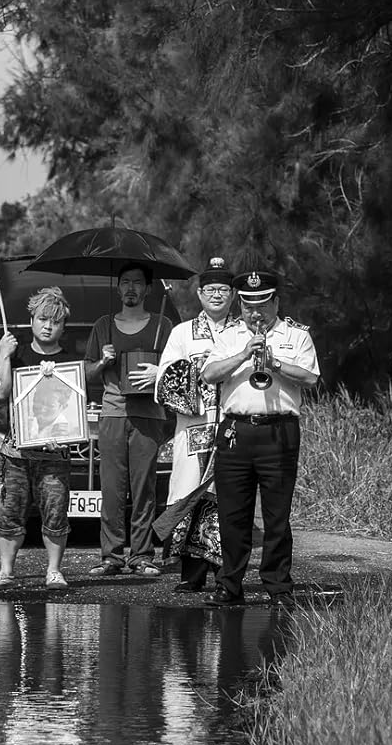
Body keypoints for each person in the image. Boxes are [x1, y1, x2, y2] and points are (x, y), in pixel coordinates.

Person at [199, 269, 320, 609]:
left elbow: (310, 377)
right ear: (241, 305)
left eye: (263, 305)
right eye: (249, 305)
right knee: (232, 514)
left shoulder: (295, 336)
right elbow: (208, 374)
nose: (256, 313)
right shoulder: (229, 336)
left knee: (276, 515)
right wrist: (242, 355)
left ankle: (278, 586)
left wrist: (276, 363)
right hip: (236, 431)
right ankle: (230, 584)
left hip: (279, 431)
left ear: (276, 302)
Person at [143, 256, 237, 593]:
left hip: (231, 425)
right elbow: (165, 378)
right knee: (189, 494)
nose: (216, 295)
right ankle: (191, 573)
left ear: (233, 294)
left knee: (226, 496)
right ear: (199, 294)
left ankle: (225, 573)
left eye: (223, 289)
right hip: (195, 424)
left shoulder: (243, 332)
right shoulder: (183, 333)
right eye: (210, 289)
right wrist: (200, 376)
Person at [0, 287, 75, 592]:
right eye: (42, 319)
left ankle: (54, 571)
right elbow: (1, 392)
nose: (48, 326)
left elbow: (70, 409)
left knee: (55, 513)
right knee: (10, 513)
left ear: (63, 326)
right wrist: (4, 355)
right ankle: (6, 571)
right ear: (31, 320)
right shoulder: (17, 352)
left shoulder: (70, 361)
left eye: (55, 321)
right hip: (15, 454)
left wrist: (61, 436)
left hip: (54, 454)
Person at [84, 262, 173, 576]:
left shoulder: (163, 325)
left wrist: (158, 371)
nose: (131, 288)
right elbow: (87, 373)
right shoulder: (103, 325)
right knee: (111, 489)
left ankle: (142, 556)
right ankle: (111, 556)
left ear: (148, 288)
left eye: (137, 282)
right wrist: (102, 361)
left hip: (148, 414)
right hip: (112, 412)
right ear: (118, 287)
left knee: (143, 488)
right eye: (125, 282)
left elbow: (175, 371)